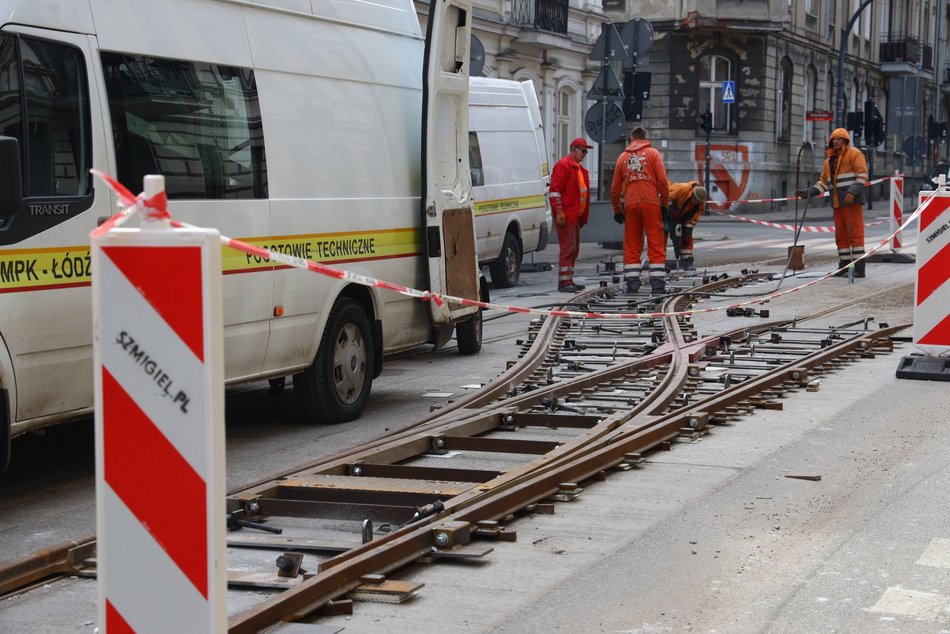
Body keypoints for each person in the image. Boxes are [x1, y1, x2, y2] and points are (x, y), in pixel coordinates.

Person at [610, 127, 670, 294]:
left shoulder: (622, 158)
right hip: (651, 203)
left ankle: (632, 282)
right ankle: (657, 283)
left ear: (631, 139)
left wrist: (617, 209)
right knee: (655, 240)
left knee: (632, 242)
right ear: (645, 138)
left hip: (630, 204)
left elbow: (614, 189)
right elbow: (663, 181)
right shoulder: (653, 154)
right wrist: (664, 204)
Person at [806, 127, 869, 278]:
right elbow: (824, 182)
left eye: (839, 139)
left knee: (855, 234)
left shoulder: (854, 154)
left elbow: (862, 175)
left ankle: (859, 268)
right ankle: (845, 266)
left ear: (845, 141)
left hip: (851, 202)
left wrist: (852, 192)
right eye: (834, 139)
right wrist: (811, 192)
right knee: (841, 236)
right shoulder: (829, 161)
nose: (836, 142)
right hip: (838, 203)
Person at [549, 137, 592, 292]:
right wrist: (559, 211)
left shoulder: (578, 169)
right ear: (574, 149)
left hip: (575, 215)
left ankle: (569, 279)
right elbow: (554, 191)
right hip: (567, 215)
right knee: (568, 248)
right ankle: (564, 282)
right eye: (583, 150)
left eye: (586, 151)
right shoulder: (564, 166)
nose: (585, 154)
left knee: (574, 249)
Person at [666, 181, 707, 270]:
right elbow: (666, 196)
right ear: (692, 194)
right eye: (695, 199)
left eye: (698, 201)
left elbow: (694, 218)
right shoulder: (682, 189)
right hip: (667, 215)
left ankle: (687, 263)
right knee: (663, 236)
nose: (695, 202)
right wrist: (672, 210)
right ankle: (658, 262)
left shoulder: (700, 203)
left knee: (686, 240)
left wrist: (687, 229)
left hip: (682, 219)